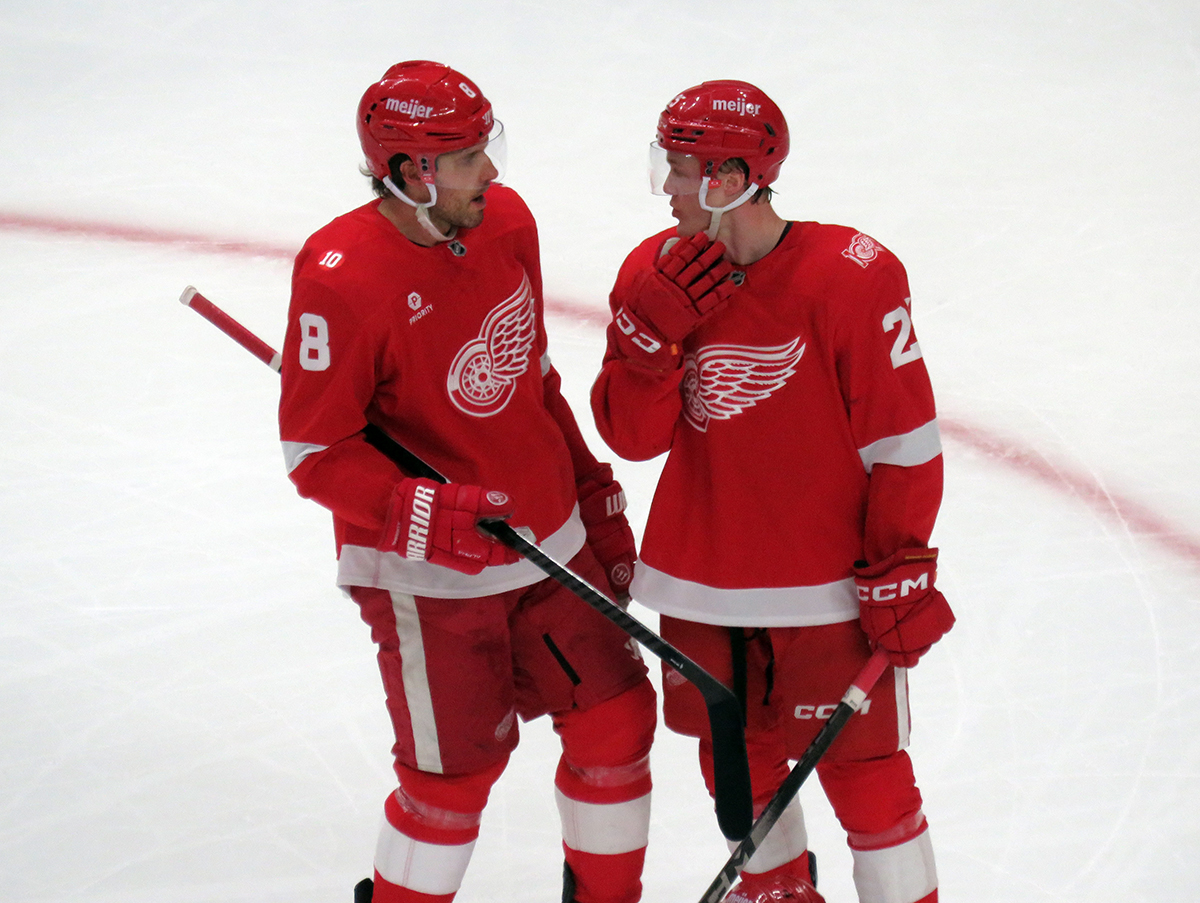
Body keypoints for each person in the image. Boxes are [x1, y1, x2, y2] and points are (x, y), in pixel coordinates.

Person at [278, 60, 656, 903]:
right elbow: (315, 451)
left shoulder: (506, 223)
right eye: (471, 155)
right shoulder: (340, 276)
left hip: (551, 543)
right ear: (414, 171)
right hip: (429, 580)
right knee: (452, 783)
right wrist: (420, 507)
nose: (493, 172)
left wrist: (592, 490)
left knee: (618, 724)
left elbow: (533, 374)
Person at [591, 80, 954, 903]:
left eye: (682, 169)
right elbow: (631, 436)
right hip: (701, 583)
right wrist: (651, 339)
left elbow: (902, 441)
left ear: (730, 176)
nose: (670, 189)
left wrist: (900, 557)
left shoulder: (852, 276)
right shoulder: (652, 273)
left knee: (871, 781)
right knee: (738, 769)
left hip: (827, 589)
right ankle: (778, 891)